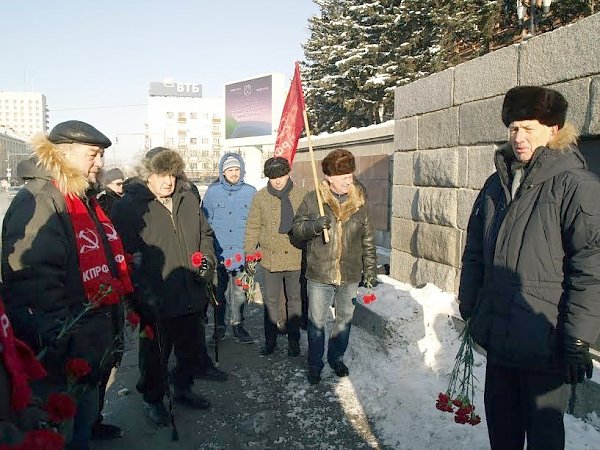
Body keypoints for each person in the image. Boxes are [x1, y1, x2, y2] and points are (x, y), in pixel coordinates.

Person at [459, 86, 600, 449]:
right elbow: (475, 249)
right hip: (499, 337)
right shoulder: (496, 183)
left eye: (529, 128)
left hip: (544, 340)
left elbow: (590, 266)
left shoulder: (575, 185)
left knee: (543, 438)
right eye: (513, 128)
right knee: (502, 434)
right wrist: (469, 300)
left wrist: (578, 337)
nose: (518, 138)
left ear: (553, 129)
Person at [1, 120, 133, 450]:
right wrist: (65, 345)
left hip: (86, 343)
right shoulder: (42, 200)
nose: (100, 163)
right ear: (63, 153)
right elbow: (34, 286)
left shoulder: (82, 198)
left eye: (101, 155)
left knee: (81, 428)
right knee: (61, 434)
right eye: (93, 154)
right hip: (62, 356)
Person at [111, 148, 217, 427]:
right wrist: (140, 295)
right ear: (148, 175)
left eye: (171, 174)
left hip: (190, 291)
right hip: (154, 299)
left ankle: (183, 388)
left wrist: (206, 261)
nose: (168, 181)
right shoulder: (130, 206)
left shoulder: (188, 197)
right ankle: (153, 398)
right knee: (155, 356)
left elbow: (205, 235)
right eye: (161, 175)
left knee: (189, 349)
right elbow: (122, 255)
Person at [292, 149, 378, 385]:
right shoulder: (313, 200)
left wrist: (370, 271)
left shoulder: (359, 202)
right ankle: (314, 363)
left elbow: (368, 239)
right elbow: (296, 232)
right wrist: (314, 227)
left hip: (349, 274)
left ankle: (336, 357)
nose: (348, 182)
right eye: (343, 178)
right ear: (329, 177)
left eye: (350, 176)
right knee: (317, 322)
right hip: (319, 274)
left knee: (344, 321)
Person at [244, 157, 308, 356]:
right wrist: (249, 252)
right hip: (269, 258)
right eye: (273, 177)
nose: (278, 180)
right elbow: (253, 226)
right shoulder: (260, 196)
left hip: (295, 256)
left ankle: (293, 341)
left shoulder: (301, 194)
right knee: (270, 301)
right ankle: (270, 340)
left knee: (295, 300)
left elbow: (307, 224)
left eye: (281, 175)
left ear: (288, 173)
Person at [202, 152, 257, 344]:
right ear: (223, 172)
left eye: (236, 169)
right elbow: (204, 222)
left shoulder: (250, 192)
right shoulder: (212, 192)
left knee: (240, 292)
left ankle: (238, 324)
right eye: (230, 170)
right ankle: (219, 327)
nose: (233, 173)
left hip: (241, 252)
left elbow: (255, 222)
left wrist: (253, 248)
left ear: (241, 171)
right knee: (219, 292)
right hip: (219, 252)